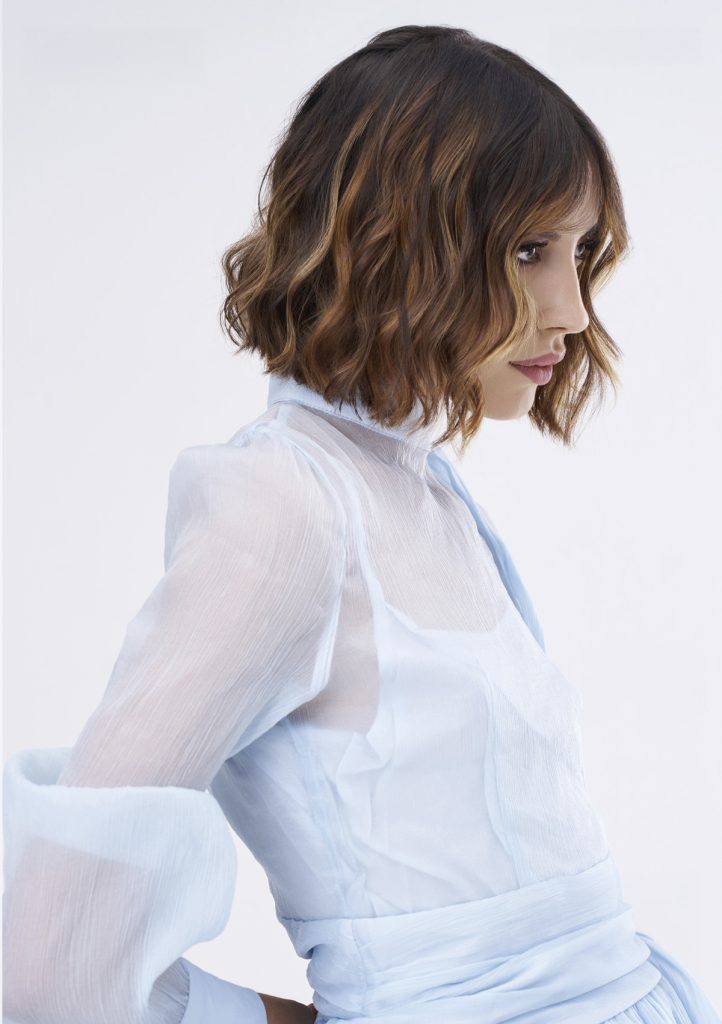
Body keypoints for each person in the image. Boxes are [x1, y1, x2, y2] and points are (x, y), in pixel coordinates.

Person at [3, 23, 720, 1024]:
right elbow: (50, 954)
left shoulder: (424, 491)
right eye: (528, 250)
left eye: (580, 251)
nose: (569, 309)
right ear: (397, 241)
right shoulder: (282, 508)